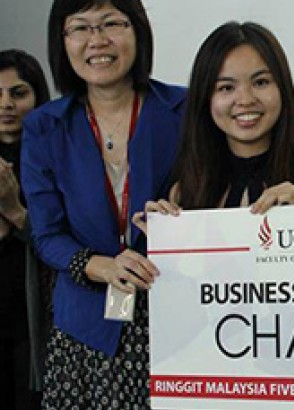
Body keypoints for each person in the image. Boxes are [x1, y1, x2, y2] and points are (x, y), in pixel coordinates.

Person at [20, 0, 186, 408]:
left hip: (176, 315)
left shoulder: (183, 109)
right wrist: (103, 266)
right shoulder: (44, 126)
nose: (97, 40)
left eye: (112, 23)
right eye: (80, 27)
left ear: (138, 31)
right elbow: (46, 234)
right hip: (85, 329)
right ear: (63, 41)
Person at [131, 21, 294, 224]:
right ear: (205, 98)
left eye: (260, 82)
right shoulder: (184, 192)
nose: (246, 100)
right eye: (226, 88)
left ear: (283, 89)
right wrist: (163, 238)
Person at [0, 48, 51, 410]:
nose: (6, 105)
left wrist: (15, 212)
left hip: (33, 325)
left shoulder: (54, 158)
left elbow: (66, 246)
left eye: (18, 93)